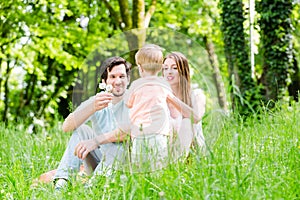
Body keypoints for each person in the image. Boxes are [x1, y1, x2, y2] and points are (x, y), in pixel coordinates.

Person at [52, 56, 131, 189]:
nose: (118, 81)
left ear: (128, 80)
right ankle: (62, 182)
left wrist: (95, 141)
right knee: (81, 130)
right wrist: (91, 107)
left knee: (118, 145)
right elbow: (66, 127)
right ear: (104, 81)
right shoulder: (98, 101)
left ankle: (92, 189)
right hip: (98, 161)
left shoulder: (134, 100)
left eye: (122, 76)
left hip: (122, 166)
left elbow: (128, 132)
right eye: (112, 77)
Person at [163, 51, 206, 150]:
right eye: (165, 68)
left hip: (194, 152)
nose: (169, 71)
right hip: (168, 152)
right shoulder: (161, 98)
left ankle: (178, 163)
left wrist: (171, 98)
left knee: (186, 122)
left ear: (183, 71)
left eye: (174, 68)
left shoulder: (197, 94)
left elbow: (196, 117)